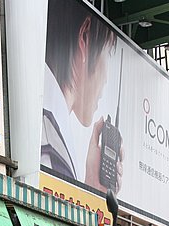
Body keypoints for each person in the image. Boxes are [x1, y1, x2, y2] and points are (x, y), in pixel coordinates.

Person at [41, 0, 123, 193]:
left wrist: (92, 186)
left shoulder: (52, 134)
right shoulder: (50, 146)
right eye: (108, 53)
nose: (105, 80)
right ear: (84, 37)